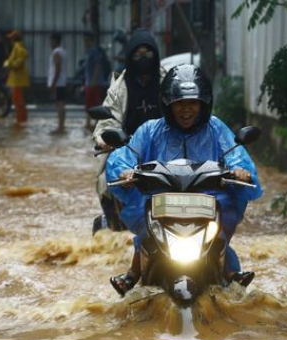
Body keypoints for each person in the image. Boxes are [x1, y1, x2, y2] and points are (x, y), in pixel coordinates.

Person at [106, 64, 262, 296]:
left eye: (192, 103)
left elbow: (236, 155)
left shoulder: (217, 129)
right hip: (161, 203)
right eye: (179, 103)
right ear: (168, 104)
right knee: (147, 231)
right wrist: (125, 172)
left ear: (203, 104)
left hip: (209, 202)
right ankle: (133, 272)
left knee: (219, 233)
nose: (186, 110)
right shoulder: (150, 130)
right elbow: (124, 156)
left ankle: (229, 272)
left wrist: (240, 171)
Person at [91, 29, 164, 233]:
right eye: (138, 54)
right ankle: (115, 223)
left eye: (148, 54)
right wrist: (104, 138)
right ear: (130, 56)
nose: (143, 59)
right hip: (128, 149)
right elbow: (108, 118)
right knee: (106, 182)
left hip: (167, 148)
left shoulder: (167, 81)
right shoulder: (119, 88)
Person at [83, 31, 110, 132]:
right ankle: (89, 123)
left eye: (87, 40)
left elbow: (98, 66)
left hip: (95, 83)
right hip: (91, 82)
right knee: (90, 103)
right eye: (85, 40)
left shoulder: (94, 51)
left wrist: (93, 81)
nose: (85, 42)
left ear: (91, 41)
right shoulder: (89, 51)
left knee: (94, 103)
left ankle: (94, 124)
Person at [4, 29, 30, 126]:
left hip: (17, 79)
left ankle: (21, 121)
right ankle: (21, 120)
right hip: (16, 78)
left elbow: (20, 61)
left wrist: (10, 64)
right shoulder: (17, 47)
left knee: (18, 101)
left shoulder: (18, 48)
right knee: (19, 101)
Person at [48, 32, 68, 134]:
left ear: (55, 41)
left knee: (59, 104)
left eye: (51, 40)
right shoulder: (62, 51)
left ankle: (60, 127)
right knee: (61, 104)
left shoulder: (56, 52)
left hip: (58, 82)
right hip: (62, 82)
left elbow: (57, 68)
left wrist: (53, 83)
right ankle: (62, 126)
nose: (50, 43)